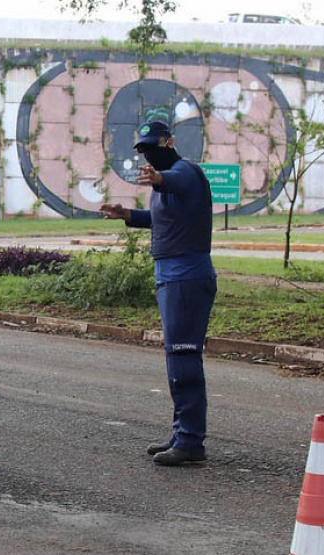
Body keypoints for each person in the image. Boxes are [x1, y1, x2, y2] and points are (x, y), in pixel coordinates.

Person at [100, 120, 217, 467]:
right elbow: (159, 219)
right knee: (176, 359)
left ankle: (190, 441)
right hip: (170, 276)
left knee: (183, 357)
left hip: (186, 276)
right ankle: (182, 434)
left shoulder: (186, 173)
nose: (148, 154)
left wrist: (160, 179)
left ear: (169, 141)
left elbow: (176, 180)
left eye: (153, 146)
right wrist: (127, 215)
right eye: (143, 150)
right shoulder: (164, 186)